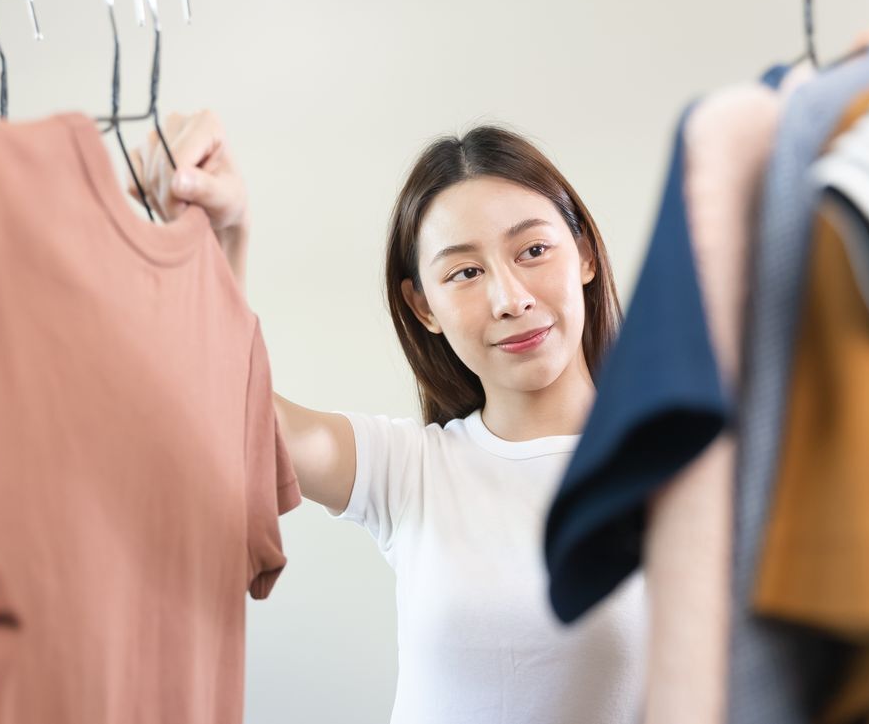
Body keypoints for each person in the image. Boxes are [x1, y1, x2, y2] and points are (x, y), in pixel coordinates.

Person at [134, 112, 647, 724]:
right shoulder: (406, 469)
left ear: (585, 255)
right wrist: (225, 241)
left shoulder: (683, 464)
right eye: (465, 272)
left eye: (533, 250)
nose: (511, 299)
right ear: (423, 306)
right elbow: (223, 408)